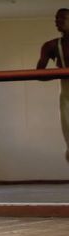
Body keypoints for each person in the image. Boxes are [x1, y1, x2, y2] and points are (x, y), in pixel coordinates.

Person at [36, 8, 69, 163]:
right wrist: (62, 73)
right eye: (56, 19)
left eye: (62, 18)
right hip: (66, 94)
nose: (58, 22)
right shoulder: (51, 46)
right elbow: (39, 74)